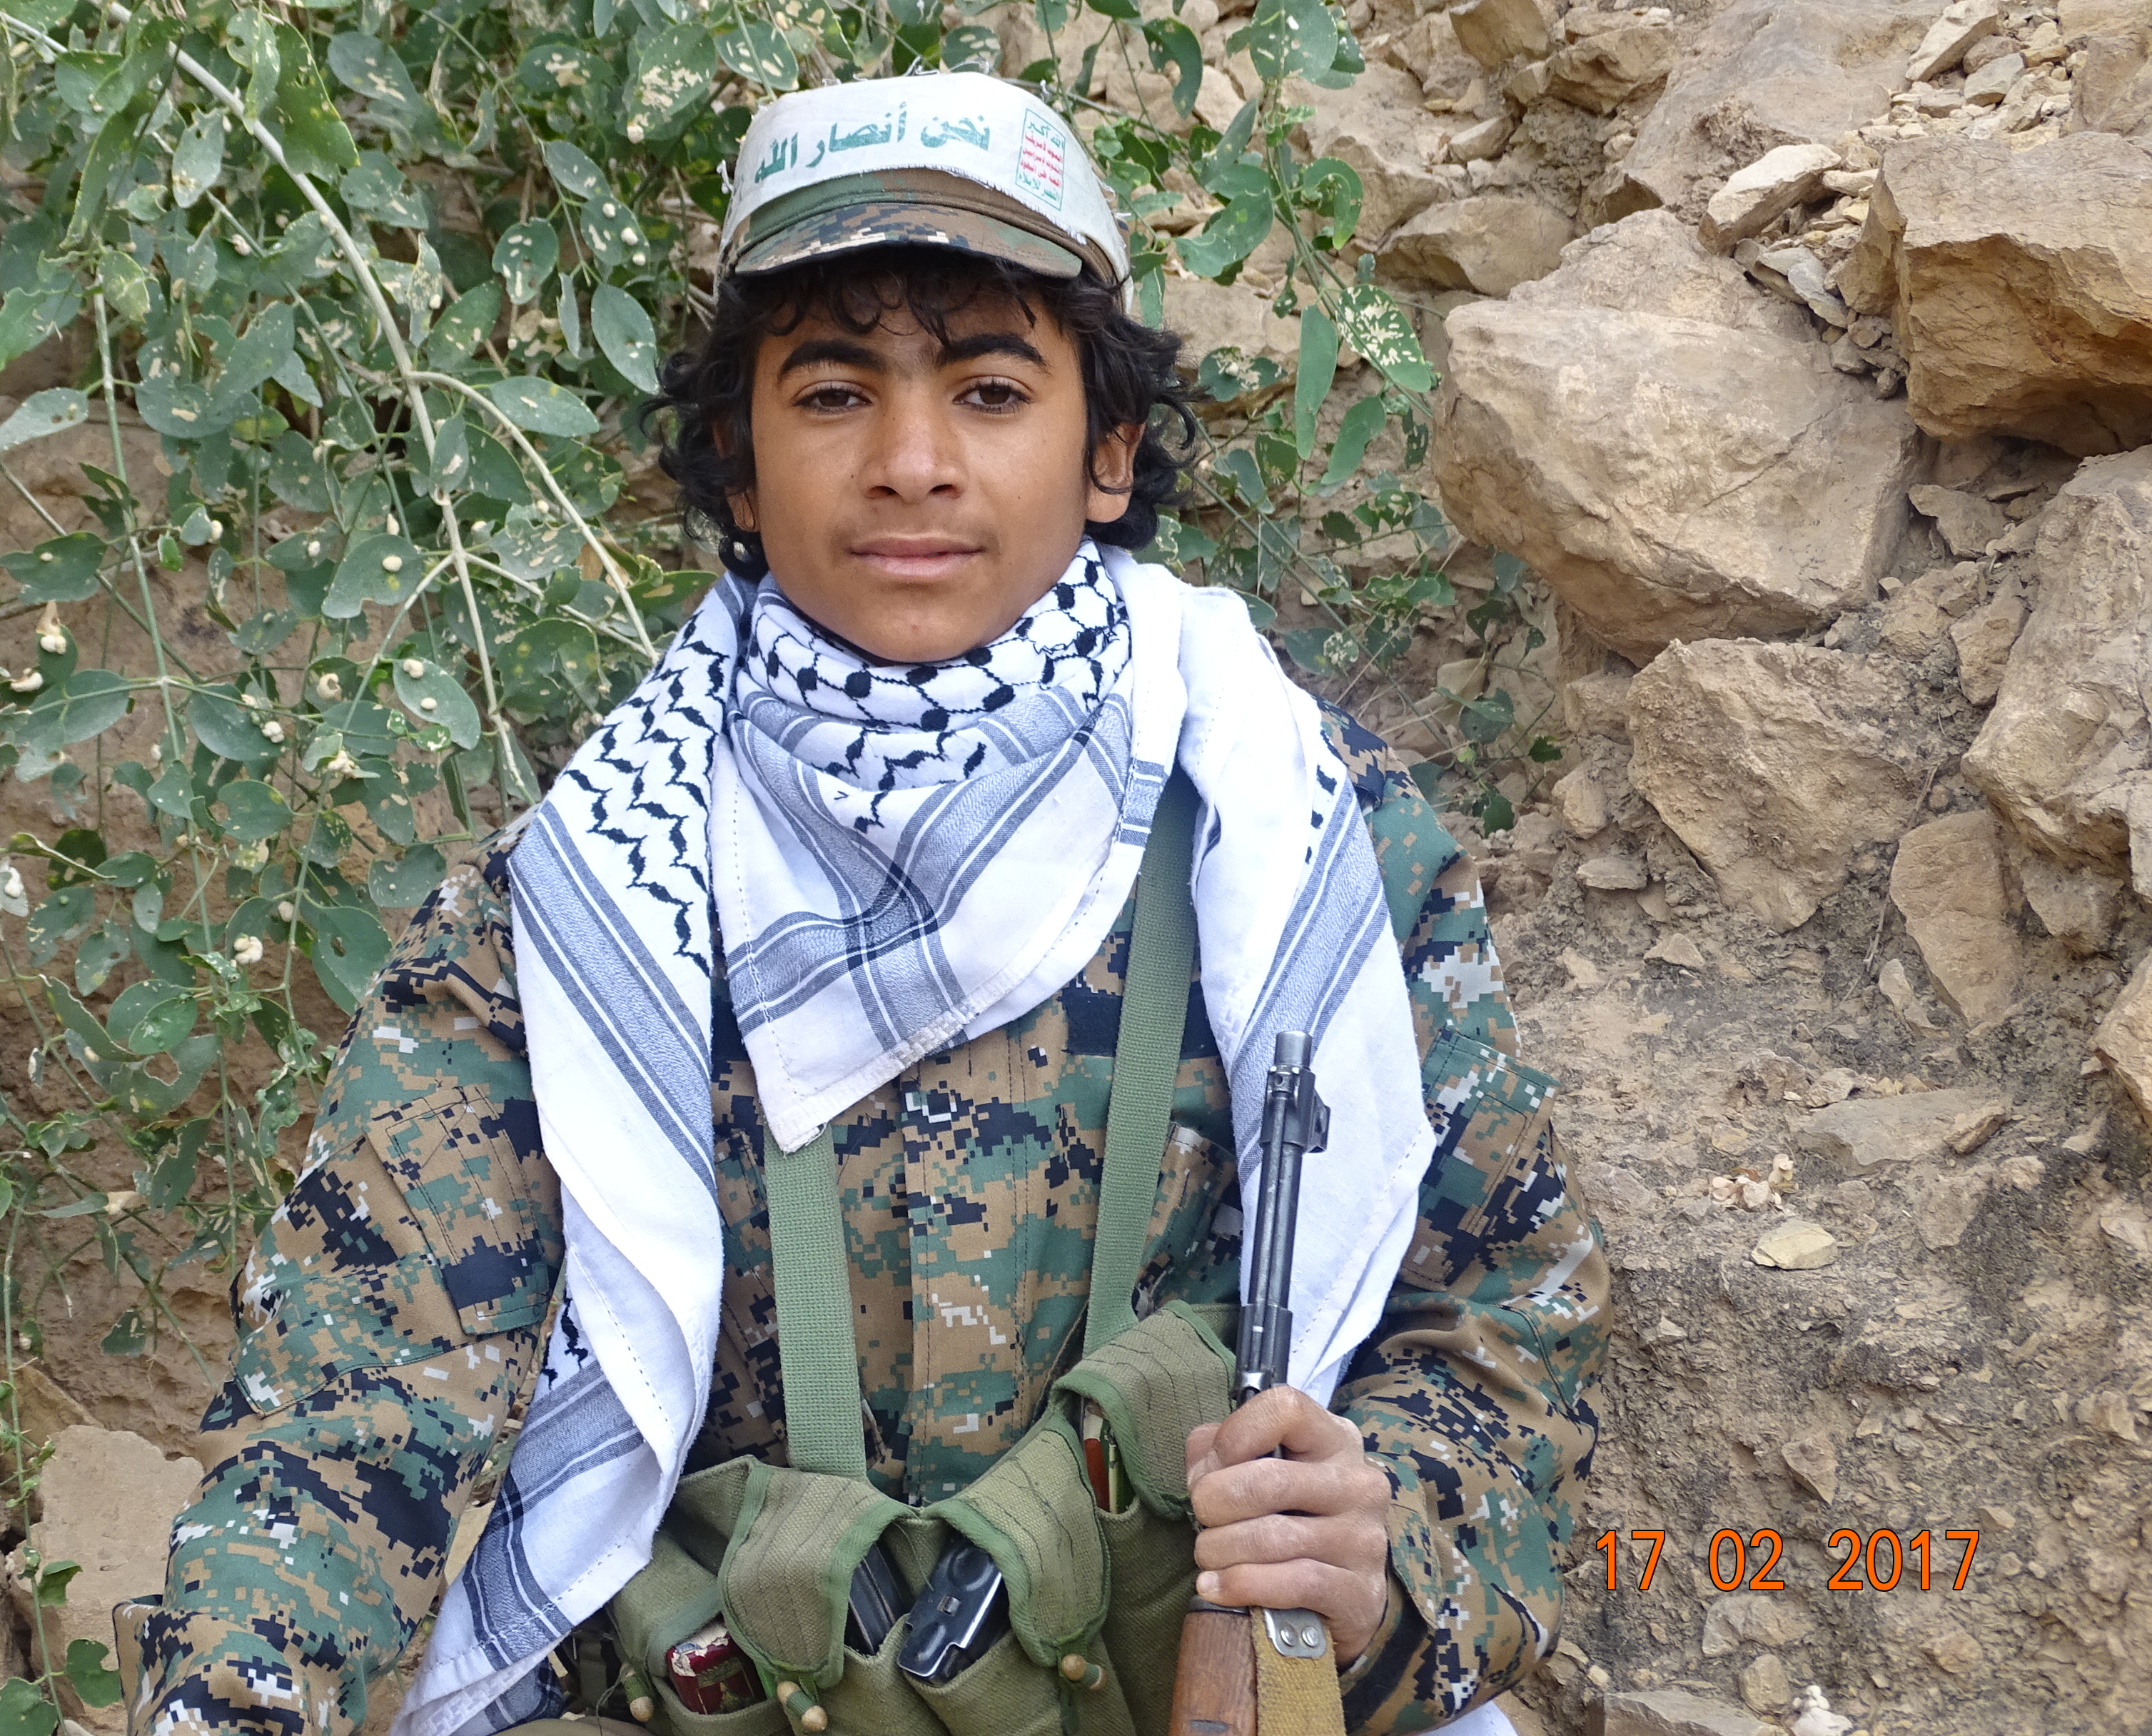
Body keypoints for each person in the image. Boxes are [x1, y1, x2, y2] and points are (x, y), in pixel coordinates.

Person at [120, 70, 1606, 1736]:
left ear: (1108, 451)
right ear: (739, 465)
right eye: (832, 392)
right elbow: (353, 1402)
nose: (910, 464)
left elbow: (1502, 1318)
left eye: (990, 390)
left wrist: (1381, 1551)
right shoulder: (589, 896)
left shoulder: (1299, 831)